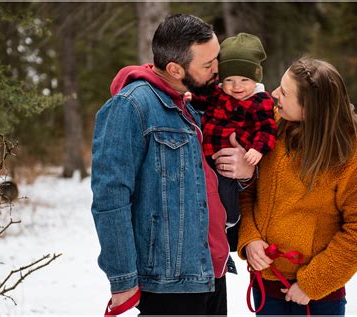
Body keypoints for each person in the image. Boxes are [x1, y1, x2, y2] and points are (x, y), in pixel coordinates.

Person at [91, 14, 254, 315]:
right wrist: (122, 279)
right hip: (169, 282)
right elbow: (110, 198)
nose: (218, 69)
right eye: (208, 65)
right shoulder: (131, 107)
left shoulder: (195, 104)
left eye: (216, 58)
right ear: (175, 69)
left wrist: (244, 171)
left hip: (211, 272)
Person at [236, 57, 357, 315]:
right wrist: (250, 238)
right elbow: (248, 191)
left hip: (321, 296)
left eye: (284, 92)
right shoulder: (269, 127)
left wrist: (312, 283)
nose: (274, 93)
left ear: (310, 108)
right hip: (266, 285)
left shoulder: (355, 150)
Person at [188, 32, 277, 251]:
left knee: (226, 188)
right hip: (208, 152)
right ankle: (210, 224)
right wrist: (192, 97)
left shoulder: (260, 101)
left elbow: (267, 128)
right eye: (229, 80)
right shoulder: (218, 94)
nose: (236, 87)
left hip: (232, 158)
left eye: (244, 80)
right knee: (206, 191)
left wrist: (258, 149)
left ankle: (230, 221)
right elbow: (203, 101)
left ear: (255, 78)